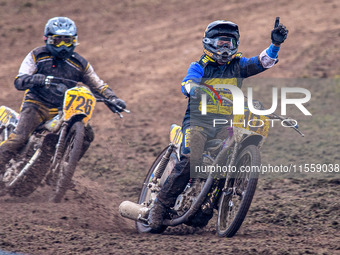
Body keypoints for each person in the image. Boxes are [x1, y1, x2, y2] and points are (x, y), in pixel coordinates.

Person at [148, 18, 288, 231]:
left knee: (231, 156)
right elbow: (187, 82)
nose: (226, 48)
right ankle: (159, 205)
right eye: (222, 43)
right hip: (198, 121)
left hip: (225, 123)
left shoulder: (239, 65)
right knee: (190, 158)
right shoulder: (200, 66)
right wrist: (193, 88)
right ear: (210, 43)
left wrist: (275, 45)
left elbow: (263, 62)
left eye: (230, 44)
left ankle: (208, 204)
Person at [0, 17, 126, 175]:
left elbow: (98, 84)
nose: (63, 46)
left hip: (63, 110)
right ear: (48, 40)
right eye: (58, 41)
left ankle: (64, 169)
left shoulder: (80, 63)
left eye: (68, 41)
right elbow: (19, 80)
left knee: (88, 134)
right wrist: (33, 79)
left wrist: (112, 98)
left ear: (75, 41)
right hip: (36, 106)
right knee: (18, 139)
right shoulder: (37, 55)